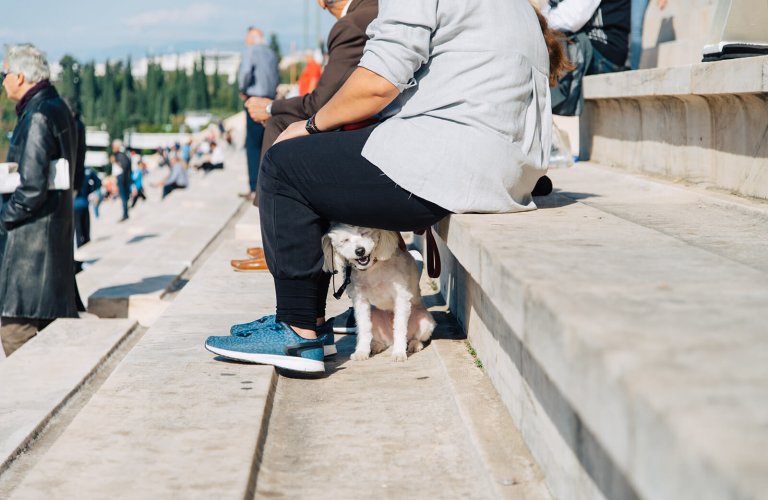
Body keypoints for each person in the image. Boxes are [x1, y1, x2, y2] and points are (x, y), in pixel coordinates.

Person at [205, 0, 570, 372]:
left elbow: (377, 84)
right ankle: (310, 324)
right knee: (321, 160)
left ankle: (298, 329)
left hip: (455, 159)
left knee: (285, 163)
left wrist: (312, 125)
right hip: (506, 163)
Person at [235, 0, 378, 274]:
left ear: (322, 3)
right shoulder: (373, 10)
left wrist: (269, 107)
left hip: (366, 135)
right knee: (283, 123)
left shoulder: (350, 25)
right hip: (373, 126)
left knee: (279, 124)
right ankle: (274, 243)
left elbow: (320, 102)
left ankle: (279, 247)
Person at [0, 44, 80, 356]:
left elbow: (31, 189)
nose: (3, 80)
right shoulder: (56, 106)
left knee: (16, 336)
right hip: (51, 246)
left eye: (5, 74)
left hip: (28, 257)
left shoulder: (36, 117)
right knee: (50, 341)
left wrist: (4, 217)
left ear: (20, 77)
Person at [238, 26, 279, 201]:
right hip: (269, 101)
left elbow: (245, 73)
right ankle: (266, 186)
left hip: (254, 100)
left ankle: (254, 188)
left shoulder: (251, 51)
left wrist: (242, 89)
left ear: (252, 38)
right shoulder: (271, 54)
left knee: (253, 145)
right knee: (266, 143)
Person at [74, 167, 101, 247]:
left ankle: (81, 244)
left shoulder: (72, 169)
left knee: (78, 229)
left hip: (75, 203)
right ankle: (85, 242)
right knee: (85, 228)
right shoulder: (88, 170)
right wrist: (91, 190)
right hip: (84, 202)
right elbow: (98, 182)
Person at [111, 139, 132, 221]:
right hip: (124, 179)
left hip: (122, 179)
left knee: (123, 197)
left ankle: (125, 214)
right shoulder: (123, 154)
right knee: (124, 197)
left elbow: (123, 168)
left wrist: (114, 161)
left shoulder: (120, 155)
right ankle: (125, 213)